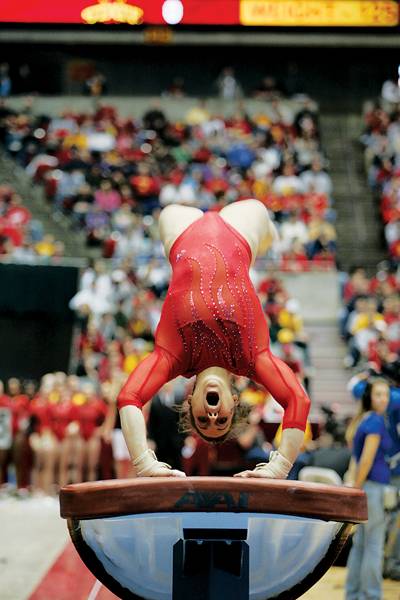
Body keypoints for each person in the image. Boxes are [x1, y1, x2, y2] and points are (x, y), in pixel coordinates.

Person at [117, 200, 311, 478]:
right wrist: (278, 468)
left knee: (172, 212)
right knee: (262, 225)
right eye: (222, 419)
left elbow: (129, 397)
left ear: (190, 404)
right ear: (233, 401)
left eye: (203, 419)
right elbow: (298, 400)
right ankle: (270, 234)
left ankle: (269, 234)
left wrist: (143, 462)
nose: (212, 414)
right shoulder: (251, 358)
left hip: (181, 231)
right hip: (241, 232)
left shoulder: (174, 358)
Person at [345, 379, 392, 600]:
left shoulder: (363, 420)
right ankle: (371, 596)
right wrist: (356, 488)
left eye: (386, 394)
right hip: (372, 489)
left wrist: (355, 487)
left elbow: (357, 460)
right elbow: (365, 460)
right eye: (378, 394)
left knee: (361, 545)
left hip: (365, 488)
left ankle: (353, 594)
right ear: (369, 397)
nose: (384, 399)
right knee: (373, 546)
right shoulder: (375, 421)